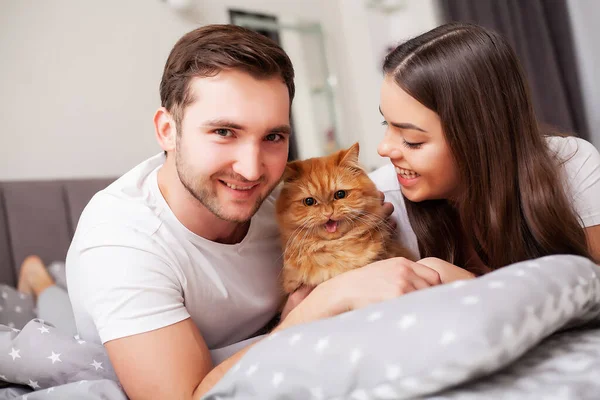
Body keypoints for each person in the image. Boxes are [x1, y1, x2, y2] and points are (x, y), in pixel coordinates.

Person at [64, 24, 467, 400]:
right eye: (224, 132)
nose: (252, 169)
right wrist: (324, 301)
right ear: (167, 130)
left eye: (273, 137)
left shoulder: (284, 196)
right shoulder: (122, 244)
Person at [373, 22, 600, 277]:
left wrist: (464, 284)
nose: (384, 148)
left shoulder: (570, 166)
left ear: (477, 135)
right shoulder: (377, 199)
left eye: (412, 139)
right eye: (386, 123)